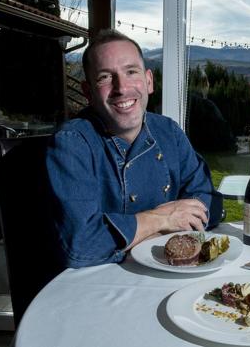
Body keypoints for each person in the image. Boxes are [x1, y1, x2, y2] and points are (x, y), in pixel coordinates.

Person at [46, 29, 223, 268]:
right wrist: (162, 218)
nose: (122, 87)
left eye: (131, 72)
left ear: (148, 81)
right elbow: (82, 246)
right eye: (105, 77)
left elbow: (208, 199)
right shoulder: (71, 143)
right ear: (88, 92)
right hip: (101, 288)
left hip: (172, 272)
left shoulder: (168, 131)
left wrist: (141, 236)